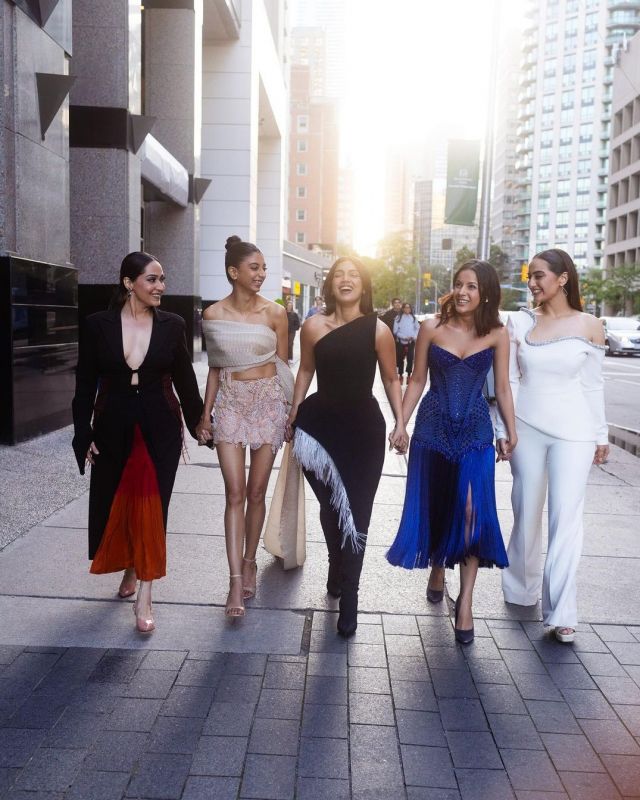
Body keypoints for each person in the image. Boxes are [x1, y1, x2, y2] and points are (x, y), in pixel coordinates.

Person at [386, 260, 517, 644]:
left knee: (473, 514)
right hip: (432, 429)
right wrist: (401, 423)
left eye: (472, 286)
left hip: (476, 432)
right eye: (459, 284)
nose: (462, 292)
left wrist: (511, 432)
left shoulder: (498, 333)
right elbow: (417, 380)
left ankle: (466, 603)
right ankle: (438, 566)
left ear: (486, 293)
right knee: (440, 504)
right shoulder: (431, 327)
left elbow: (503, 388)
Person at [72, 252, 203, 633]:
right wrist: (83, 433)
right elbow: (84, 384)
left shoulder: (172, 325)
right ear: (129, 283)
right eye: (152, 279)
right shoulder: (97, 325)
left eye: (162, 279)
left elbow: (185, 380)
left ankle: (145, 594)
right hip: (112, 425)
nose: (161, 286)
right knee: (120, 500)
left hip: (159, 425)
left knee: (153, 507)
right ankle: (130, 565)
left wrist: (200, 424)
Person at [287, 257, 408, 637]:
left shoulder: (379, 330)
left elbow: (391, 379)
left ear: (363, 285)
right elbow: (305, 371)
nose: (346, 280)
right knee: (330, 507)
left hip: (363, 432)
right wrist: (292, 414)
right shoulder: (312, 326)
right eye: (339, 274)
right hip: (318, 430)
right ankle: (335, 565)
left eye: (353, 275)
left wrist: (401, 423)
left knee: (358, 515)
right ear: (330, 284)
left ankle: (350, 600)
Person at [495, 248, 608, 644]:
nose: (532, 283)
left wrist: (601, 434)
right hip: (526, 428)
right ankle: (520, 588)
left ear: (562, 278)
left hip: (575, 433)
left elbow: (593, 385)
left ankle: (562, 613)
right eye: (530, 276)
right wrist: (503, 428)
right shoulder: (519, 321)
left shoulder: (590, 325)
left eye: (539, 275)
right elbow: (508, 381)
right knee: (526, 509)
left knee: (566, 517)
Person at [197, 236, 292, 618]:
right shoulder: (212, 314)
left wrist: (290, 413)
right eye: (255, 267)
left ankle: (250, 560)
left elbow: (283, 365)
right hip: (231, 405)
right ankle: (235, 580)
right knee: (234, 493)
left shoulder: (276, 313)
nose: (262, 274)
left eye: (264, 267)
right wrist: (205, 415)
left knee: (256, 492)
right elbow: (215, 369)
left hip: (268, 402)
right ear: (234, 272)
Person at [393, 302, 420, 384]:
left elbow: (417, 328)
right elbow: (395, 331)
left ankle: (409, 375)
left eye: (409, 307)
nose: (407, 309)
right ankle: (400, 375)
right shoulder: (398, 318)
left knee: (410, 359)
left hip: (411, 342)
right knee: (400, 359)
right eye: (406, 307)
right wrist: (404, 337)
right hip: (401, 342)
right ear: (403, 309)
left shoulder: (413, 318)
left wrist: (414, 336)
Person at [286, 299, 301, 363]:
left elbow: (298, 324)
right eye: (288, 305)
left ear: (292, 306)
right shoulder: (283, 313)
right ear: (286, 306)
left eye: (291, 305)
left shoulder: (294, 314)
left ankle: (290, 358)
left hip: (292, 332)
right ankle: (285, 357)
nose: (289, 306)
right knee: (285, 344)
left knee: (290, 344)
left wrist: (294, 328)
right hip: (284, 331)